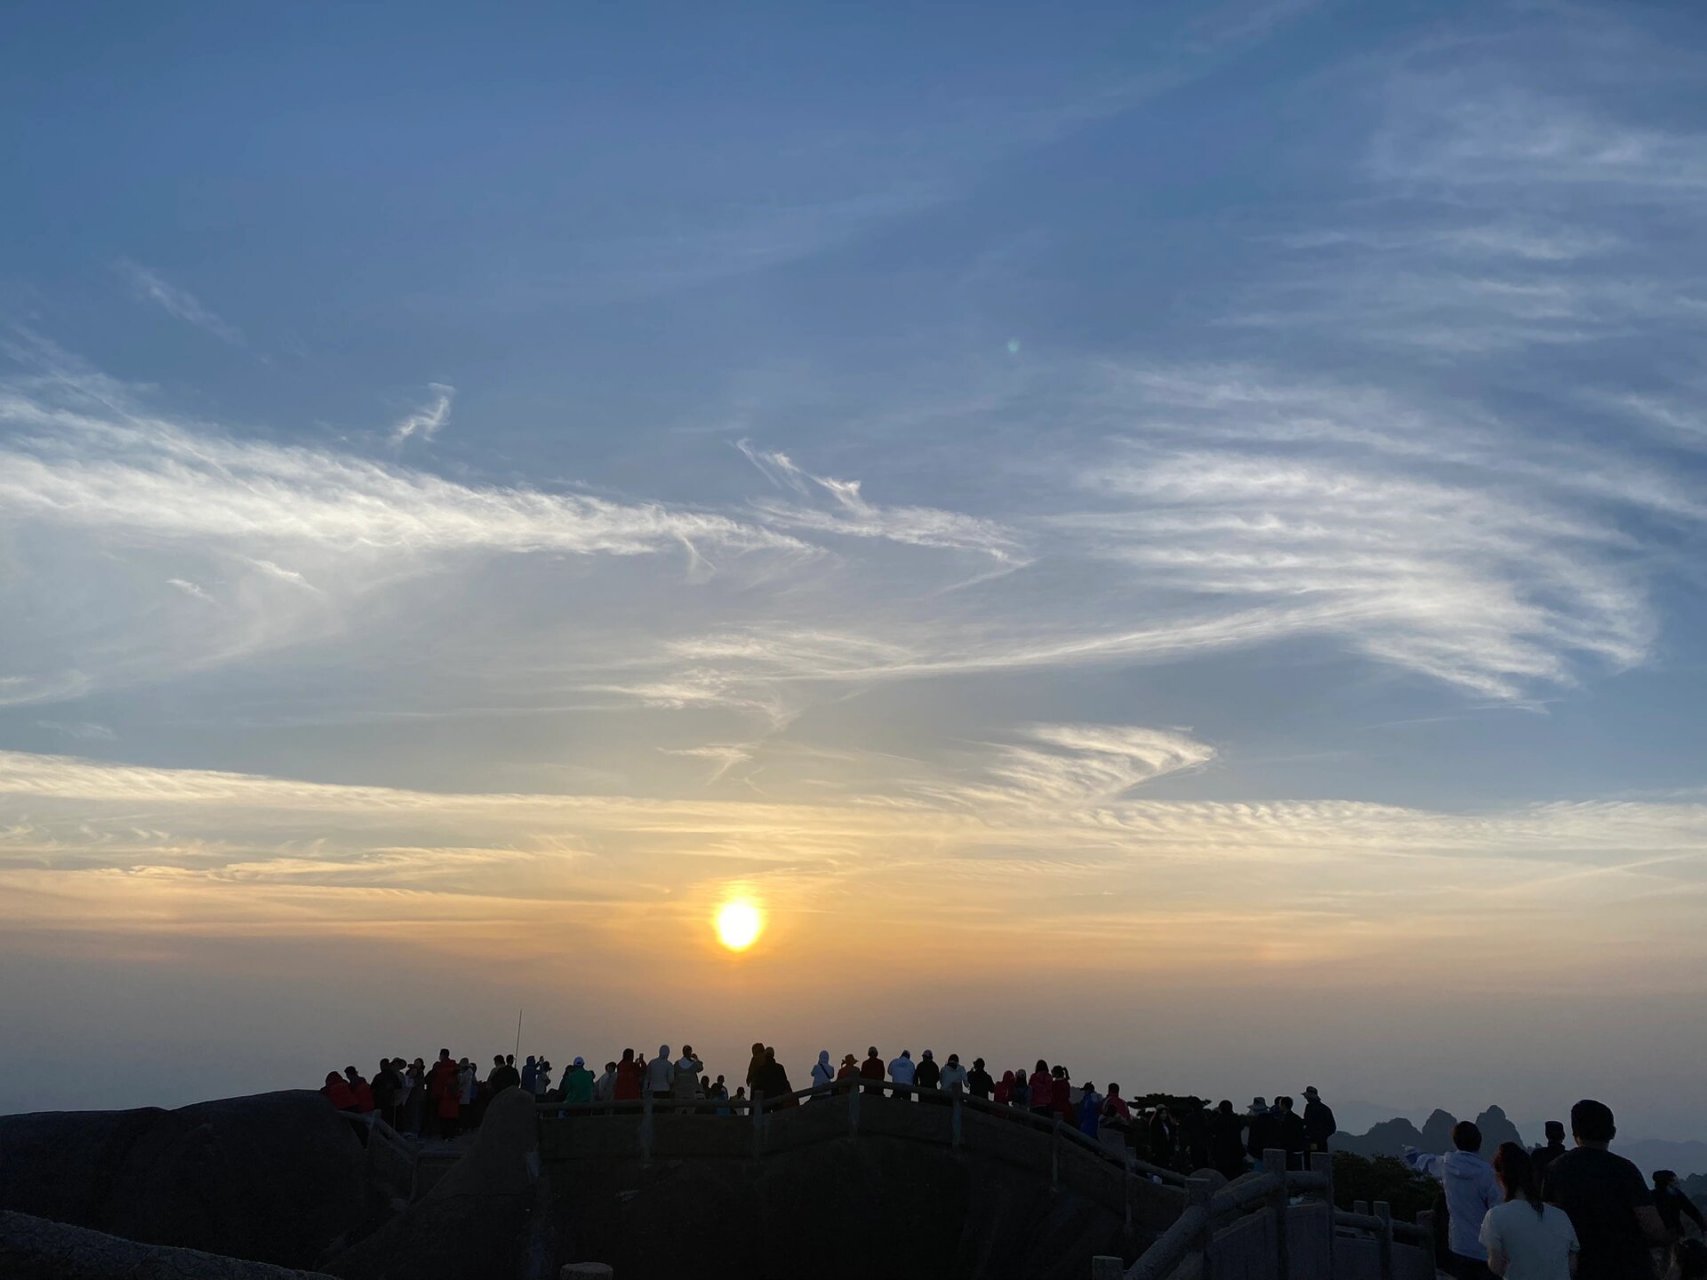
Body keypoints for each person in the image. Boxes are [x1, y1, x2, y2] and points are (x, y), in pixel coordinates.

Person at [1543, 1100, 1667, 1280]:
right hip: (1629, 1268)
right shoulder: (1625, 1169)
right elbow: (1652, 1226)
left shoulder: (1555, 1169)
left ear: (1574, 1133)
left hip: (1580, 1269)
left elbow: (1549, 1218)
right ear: (1612, 1132)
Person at [1405, 1120, 1505, 1280]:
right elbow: (1499, 1211)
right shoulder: (1488, 1174)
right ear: (1479, 1142)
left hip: (1459, 1246)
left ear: (1455, 1142)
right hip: (1485, 1251)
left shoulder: (1446, 1165)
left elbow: (1424, 1162)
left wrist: (1413, 1153)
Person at [1480, 1142, 1578, 1280]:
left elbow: (1496, 1266)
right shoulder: (1560, 1215)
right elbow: (1572, 1265)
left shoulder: (1495, 1216)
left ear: (1501, 1179)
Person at [427, 1049, 461, 1139]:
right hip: (453, 1098)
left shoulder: (440, 1068)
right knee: (451, 1118)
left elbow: (435, 1081)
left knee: (442, 1118)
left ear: (442, 1055)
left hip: (441, 1097)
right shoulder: (454, 1068)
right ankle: (450, 1135)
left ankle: (443, 1135)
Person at [1210, 1100, 1248, 1182]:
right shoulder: (1237, 1119)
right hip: (1235, 1151)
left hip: (1221, 1153)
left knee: (1222, 1178)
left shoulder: (1217, 1120)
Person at [1274, 1095, 1306, 1170]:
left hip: (1286, 1149)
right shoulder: (1297, 1118)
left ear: (1284, 1105)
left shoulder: (1283, 1119)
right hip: (1297, 1149)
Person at [1303, 1086, 1337, 1155]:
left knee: (1310, 1160)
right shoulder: (1326, 1109)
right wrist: (1323, 1136)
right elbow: (1332, 1127)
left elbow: (1307, 1123)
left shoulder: (1310, 1108)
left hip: (1311, 1141)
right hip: (1322, 1142)